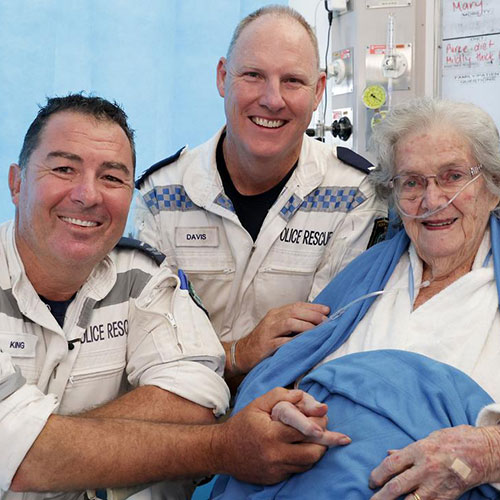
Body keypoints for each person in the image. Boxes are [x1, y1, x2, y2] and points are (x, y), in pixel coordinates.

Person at [0, 94, 351, 500]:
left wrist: (51, 444)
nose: (88, 194)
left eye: (112, 178)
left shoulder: (143, 276)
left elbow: (198, 400)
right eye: (64, 169)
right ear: (16, 182)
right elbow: (19, 455)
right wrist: (224, 448)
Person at [212, 98, 500, 500]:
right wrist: (282, 412)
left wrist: (487, 451)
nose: (432, 201)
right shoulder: (366, 278)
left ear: (492, 187)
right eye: (411, 182)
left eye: (452, 176)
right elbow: (287, 377)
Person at [134, 5, 387, 384]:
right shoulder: (161, 194)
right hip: (183, 416)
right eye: (253, 75)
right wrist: (239, 352)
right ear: (223, 78)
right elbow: (151, 349)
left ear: (318, 91)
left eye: (292, 81)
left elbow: (325, 346)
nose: (272, 99)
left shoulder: (355, 195)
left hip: (293, 410)